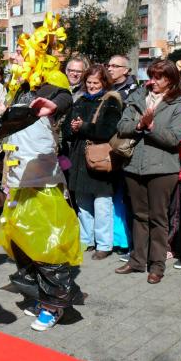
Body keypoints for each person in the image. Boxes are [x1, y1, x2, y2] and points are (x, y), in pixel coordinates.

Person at [0, 13, 83, 332]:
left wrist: (56, 107)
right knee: (24, 240)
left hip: (41, 177)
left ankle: (56, 305)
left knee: (46, 241)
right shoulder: (20, 86)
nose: (19, 57)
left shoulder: (53, 83)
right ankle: (42, 295)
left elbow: (64, 98)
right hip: (17, 176)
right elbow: (10, 125)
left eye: (24, 52)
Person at [115, 60, 181, 284]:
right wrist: (139, 125)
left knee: (158, 218)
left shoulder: (179, 104)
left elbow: (174, 138)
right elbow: (121, 126)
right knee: (139, 216)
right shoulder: (138, 97)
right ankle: (137, 260)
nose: (152, 81)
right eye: (151, 76)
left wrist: (151, 127)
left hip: (162, 169)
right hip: (134, 166)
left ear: (171, 80)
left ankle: (157, 265)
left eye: (158, 77)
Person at [62, 65, 123, 260]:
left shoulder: (112, 101)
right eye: (88, 82)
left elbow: (108, 130)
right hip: (79, 157)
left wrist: (84, 127)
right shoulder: (79, 100)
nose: (91, 86)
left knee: (102, 203)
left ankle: (104, 244)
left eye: (96, 83)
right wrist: (72, 128)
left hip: (100, 159)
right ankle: (85, 239)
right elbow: (67, 130)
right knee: (82, 202)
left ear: (104, 82)